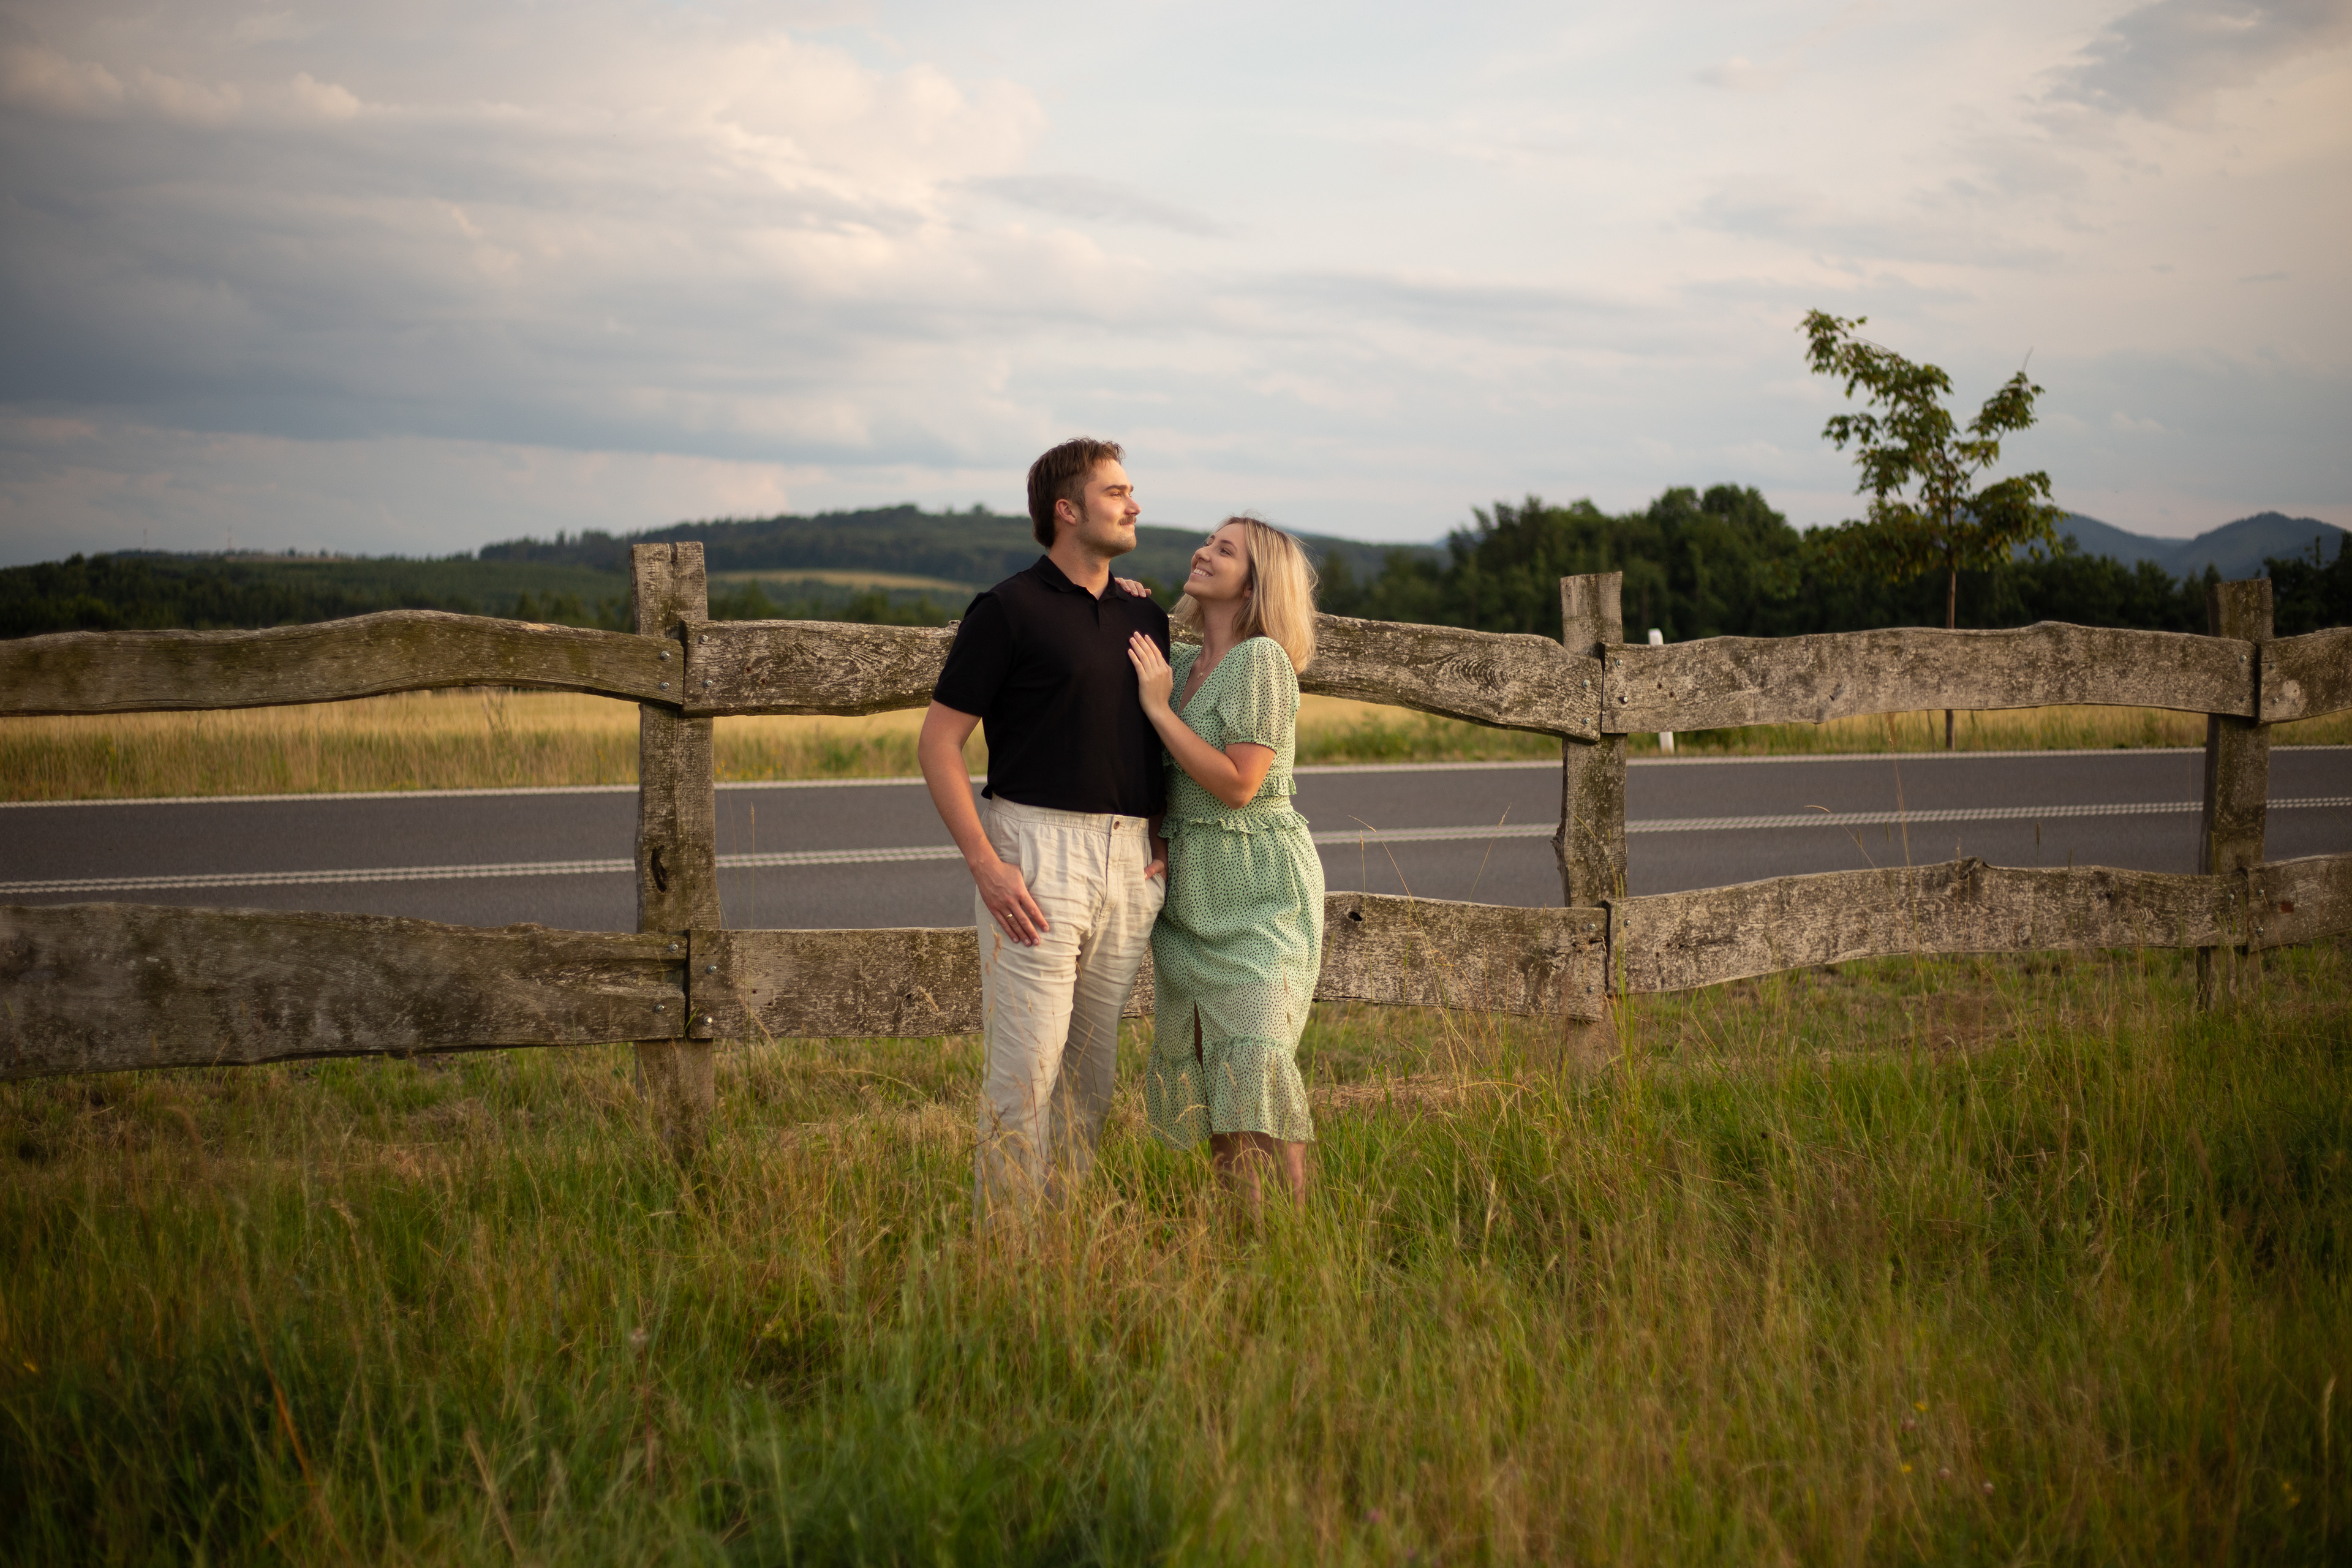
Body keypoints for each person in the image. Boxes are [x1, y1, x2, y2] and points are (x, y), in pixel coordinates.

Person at [918, 438, 1171, 1216]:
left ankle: (1063, 1246)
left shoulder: (1144, 613)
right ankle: (1006, 1253)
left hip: (1129, 862)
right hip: (1035, 853)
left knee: (1091, 1079)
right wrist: (986, 864)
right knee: (1024, 1074)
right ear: (1067, 510)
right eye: (1116, 493)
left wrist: (1159, 838)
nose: (1134, 504)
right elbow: (939, 744)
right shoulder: (1007, 609)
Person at [1125, 516, 1324, 1210]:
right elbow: (1156, 776)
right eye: (1209, 541)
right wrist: (1116, 600)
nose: (1204, 552)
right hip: (1191, 894)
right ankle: (1249, 1242)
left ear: (1253, 584)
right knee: (1220, 1084)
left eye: (1225, 549)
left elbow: (1240, 784)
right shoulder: (1177, 666)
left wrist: (1159, 712)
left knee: (1257, 1063)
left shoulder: (1261, 661)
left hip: (1259, 890)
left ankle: (1296, 1244)